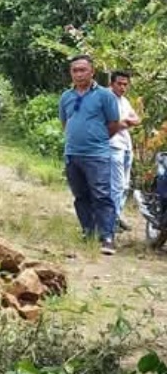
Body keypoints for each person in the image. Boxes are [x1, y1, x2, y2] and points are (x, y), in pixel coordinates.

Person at [59, 55, 121, 255]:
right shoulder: (66, 96)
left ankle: (107, 237)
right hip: (72, 154)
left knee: (102, 196)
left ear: (92, 72)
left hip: (97, 155)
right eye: (75, 70)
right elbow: (65, 123)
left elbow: (113, 124)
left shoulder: (105, 95)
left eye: (82, 70)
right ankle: (89, 232)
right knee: (80, 196)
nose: (78, 74)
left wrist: (98, 140)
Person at [109, 71, 141, 231]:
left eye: (125, 84)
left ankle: (116, 216)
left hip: (126, 145)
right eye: (119, 84)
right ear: (112, 84)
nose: (122, 87)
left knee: (125, 185)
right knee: (117, 185)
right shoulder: (106, 99)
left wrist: (125, 122)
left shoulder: (124, 101)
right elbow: (112, 124)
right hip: (113, 145)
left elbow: (136, 119)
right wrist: (123, 122)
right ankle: (110, 221)